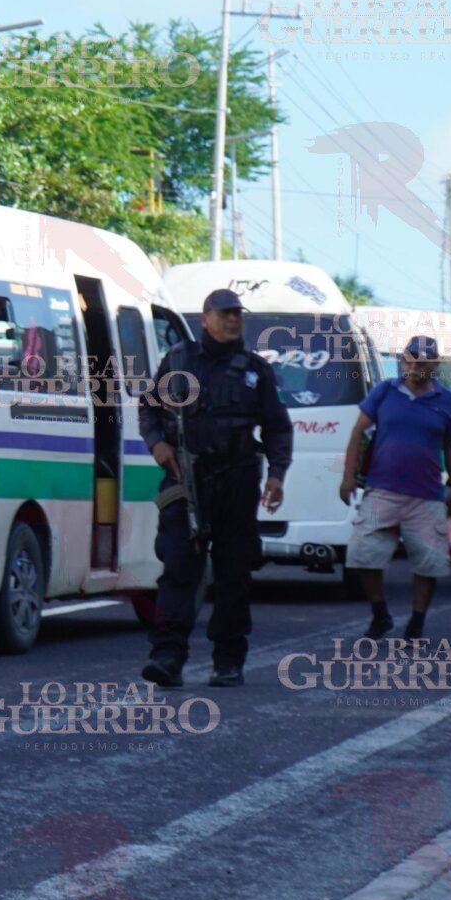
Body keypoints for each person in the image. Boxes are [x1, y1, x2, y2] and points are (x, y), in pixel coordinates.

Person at [139, 288, 292, 688]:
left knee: (233, 574)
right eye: (224, 314)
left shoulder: (255, 369)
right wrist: (157, 444)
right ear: (205, 318)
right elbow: (149, 409)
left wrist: (277, 473)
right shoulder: (178, 360)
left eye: (237, 314)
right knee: (178, 571)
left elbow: (277, 427)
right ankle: (167, 656)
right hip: (185, 480)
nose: (233, 320)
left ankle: (228, 660)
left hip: (237, 479)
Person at [339, 336, 451, 641]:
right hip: (382, 489)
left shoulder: (447, 401)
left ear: (435, 364)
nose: (413, 367)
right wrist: (347, 477)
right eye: (408, 360)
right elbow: (359, 432)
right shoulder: (384, 392)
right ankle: (380, 614)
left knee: (429, 561)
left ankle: (416, 622)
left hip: (427, 494)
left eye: (421, 362)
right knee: (362, 554)